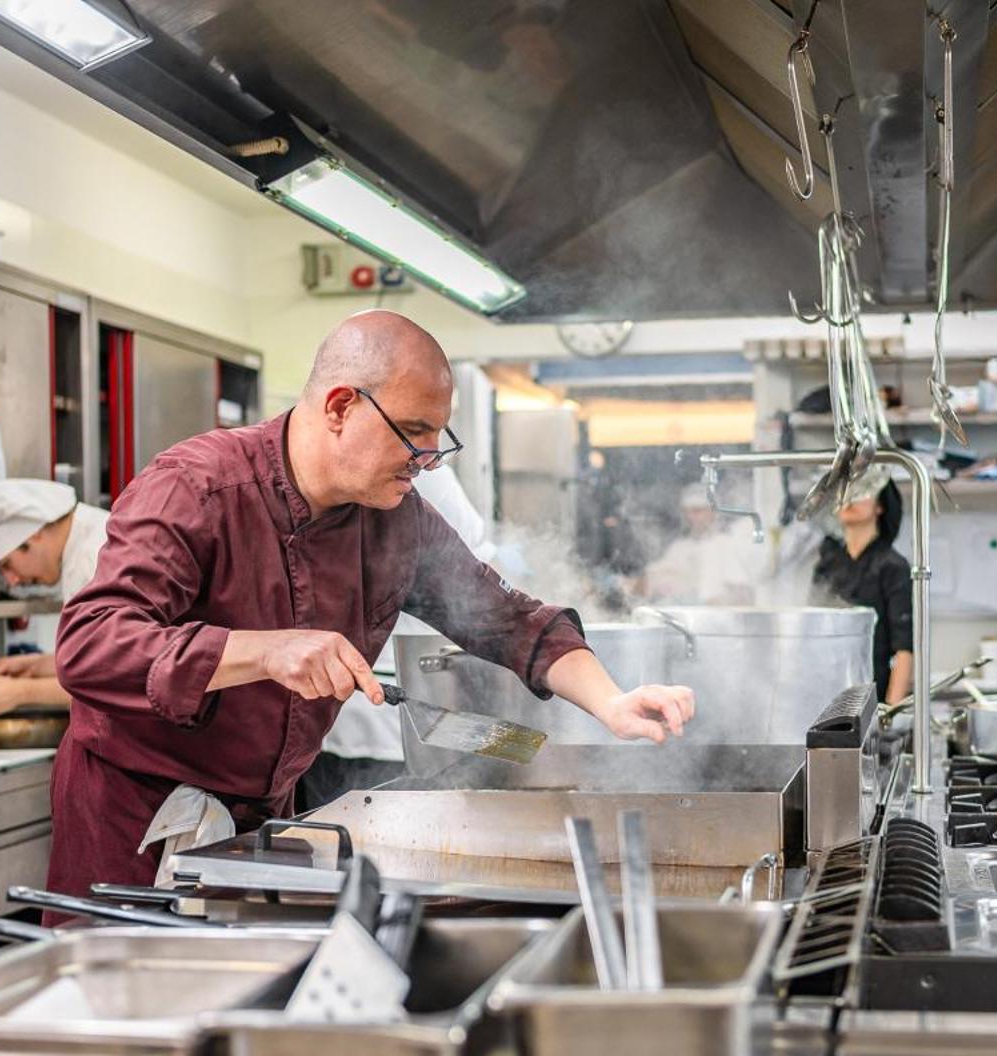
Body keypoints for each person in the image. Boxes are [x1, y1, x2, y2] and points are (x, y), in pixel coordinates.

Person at [48, 310, 695, 898]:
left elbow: (509, 618)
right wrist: (267, 649)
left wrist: (612, 701)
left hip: (262, 819)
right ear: (339, 407)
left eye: (438, 438)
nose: (428, 461)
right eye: (413, 434)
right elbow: (90, 644)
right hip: (134, 822)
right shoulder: (198, 487)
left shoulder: (396, 520)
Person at [298, 461, 494, 810]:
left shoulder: (346, 474)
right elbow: (477, 578)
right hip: (378, 718)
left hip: (352, 719)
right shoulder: (412, 473)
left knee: (339, 843)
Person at [0, 479, 110, 715]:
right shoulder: (87, 540)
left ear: (33, 534)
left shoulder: (94, 556)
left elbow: (113, 682)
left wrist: (20, 692)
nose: (12, 580)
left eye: (7, 565)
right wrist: (35, 666)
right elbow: (99, 660)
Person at [811, 468, 914, 705]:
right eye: (846, 493)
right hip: (827, 693)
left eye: (861, 493)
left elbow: (904, 650)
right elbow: (812, 632)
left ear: (880, 506)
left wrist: (888, 714)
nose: (850, 499)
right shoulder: (827, 564)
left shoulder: (893, 566)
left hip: (873, 696)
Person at [637, 484, 768, 604]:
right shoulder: (680, 547)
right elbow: (652, 581)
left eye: (697, 511)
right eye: (687, 511)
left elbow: (741, 593)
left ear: (713, 512)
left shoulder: (726, 543)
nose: (691, 517)